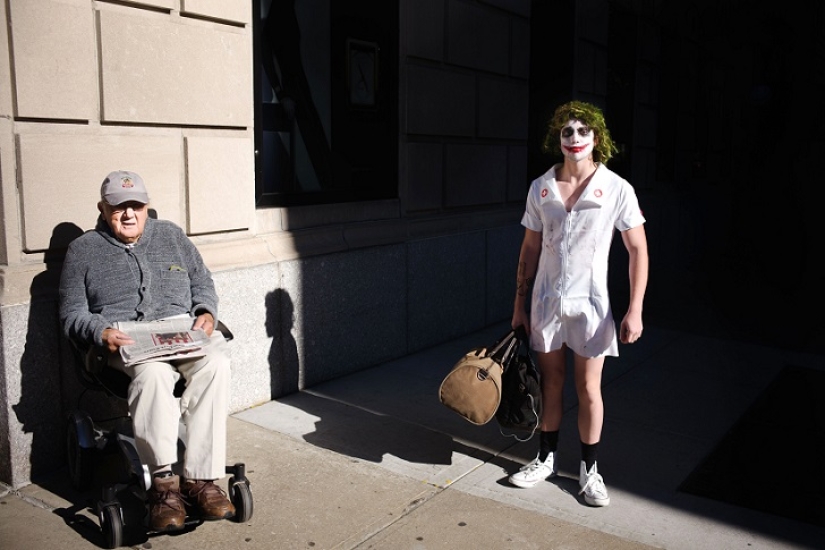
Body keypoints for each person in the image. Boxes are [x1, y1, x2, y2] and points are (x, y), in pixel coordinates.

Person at [59, 170, 235, 531]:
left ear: (146, 206)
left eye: (135, 205)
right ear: (103, 208)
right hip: (124, 341)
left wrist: (205, 311)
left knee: (215, 363)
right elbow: (71, 312)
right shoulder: (83, 250)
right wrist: (100, 331)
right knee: (154, 374)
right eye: (118, 207)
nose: (128, 214)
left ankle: (202, 480)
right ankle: (164, 486)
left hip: (180, 330)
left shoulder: (171, 235)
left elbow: (202, 281)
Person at [507, 101, 648, 507]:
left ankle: (589, 471)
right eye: (567, 132)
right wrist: (519, 303)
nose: (574, 138)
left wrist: (634, 307)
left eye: (583, 131)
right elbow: (530, 248)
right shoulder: (542, 187)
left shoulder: (617, 188)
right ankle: (545, 458)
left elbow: (638, 248)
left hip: (592, 305)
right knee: (550, 383)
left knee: (589, 388)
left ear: (597, 139)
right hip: (546, 302)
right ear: (558, 138)